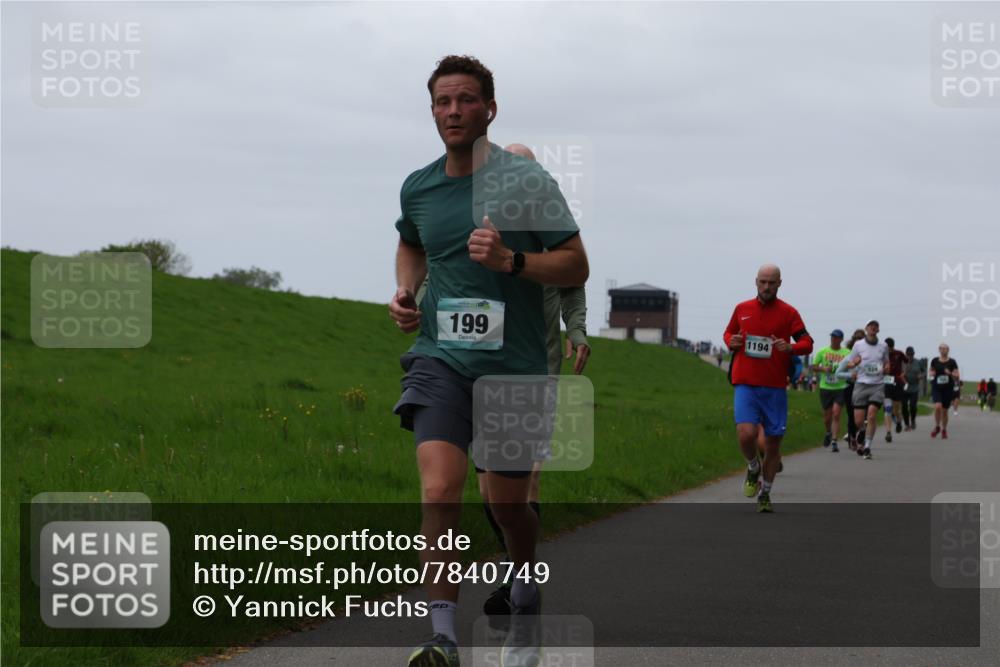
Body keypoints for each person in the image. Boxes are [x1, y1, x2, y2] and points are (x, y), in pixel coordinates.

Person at [388, 55, 589, 667]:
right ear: (432, 112)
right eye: (443, 102)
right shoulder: (419, 186)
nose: (453, 111)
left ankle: (525, 588)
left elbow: (576, 264)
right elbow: (411, 242)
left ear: (490, 109)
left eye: (466, 100)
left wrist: (512, 262)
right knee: (439, 490)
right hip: (440, 359)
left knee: (506, 506)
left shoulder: (527, 182)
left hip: (514, 368)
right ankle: (443, 638)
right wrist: (405, 291)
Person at [477, 142, 590, 619]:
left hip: (538, 366)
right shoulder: (482, 222)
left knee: (529, 476)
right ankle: (518, 565)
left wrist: (577, 331)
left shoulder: (551, 226)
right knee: (489, 488)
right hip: (482, 367)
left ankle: (517, 581)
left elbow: (573, 284)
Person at [724, 264, 813, 513]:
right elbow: (729, 333)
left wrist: (791, 347)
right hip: (745, 383)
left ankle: (765, 493)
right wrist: (731, 341)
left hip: (774, 387)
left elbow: (807, 342)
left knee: (773, 445)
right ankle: (753, 467)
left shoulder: (789, 313)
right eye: (762, 282)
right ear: (756, 282)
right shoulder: (742, 309)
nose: (766, 287)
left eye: (771, 283)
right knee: (746, 433)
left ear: (779, 284)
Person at [838, 319, 889, 460]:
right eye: (871, 325)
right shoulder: (858, 345)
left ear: (878, 329)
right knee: (858, 421)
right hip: (861, 384)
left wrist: (886, 368)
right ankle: (861, 431)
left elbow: (886, 363)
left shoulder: (883, 346)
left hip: (877, 385)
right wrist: (854, 363)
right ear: (866, 328)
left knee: (871, 415)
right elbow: (849, 364)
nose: (873, 327)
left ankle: (867, 447)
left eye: (876, 326)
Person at [811, 329, 850, 452]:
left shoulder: (847, 353)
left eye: (836, 337)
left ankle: (834, 441)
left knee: (836, 413)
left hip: (841, 387)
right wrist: (823, 369)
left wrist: (848, 369)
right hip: (826, 387)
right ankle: (828, 432)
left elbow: (853, 365)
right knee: (827, 417)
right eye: (832, 337)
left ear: (841, 339)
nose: (834, 339)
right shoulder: (823, 351)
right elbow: (814, 366)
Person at [929, 344, 960, 439]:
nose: (943, 350)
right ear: (939, 350)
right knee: (938, 407)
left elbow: (957, 376)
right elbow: (931, 371)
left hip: (948, 389)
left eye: (945, 349)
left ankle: (944, 430)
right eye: (941, 349)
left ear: (948, 350)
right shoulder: (934, 360)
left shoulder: (952, 362)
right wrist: (932, 373)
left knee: (945, 411)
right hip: (937, 387)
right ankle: (937, 427)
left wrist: (950, 373)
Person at [842, 329, 865, 449]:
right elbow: (839, 373)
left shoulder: (869, 356)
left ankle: (861, 439)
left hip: (865, 387)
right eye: (857, 340)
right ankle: (852, 437)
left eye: (861, 339)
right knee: (851, 415)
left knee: (864, 416)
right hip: (850, 387)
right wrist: (850, 375)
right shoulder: (848, 356)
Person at [882, 337, 907, 442]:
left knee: (896, 410)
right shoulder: (881, 355)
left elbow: (907, 362)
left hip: (897, 383)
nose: (888, 350)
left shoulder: (899, 354)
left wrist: (904, 373)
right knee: (888, 408)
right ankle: (888, 432)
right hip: (886, 383)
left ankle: (898, 421)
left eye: (889, 348)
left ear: (892, 347)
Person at [901, 346, 922, 430]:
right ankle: (906, 424)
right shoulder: (902, 362)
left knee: (913, 406)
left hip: (914, 387)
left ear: (913, 354)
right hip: (904, 387)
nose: (910, 356)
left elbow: (924, 371)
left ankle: (913, 420)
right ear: (906, 354)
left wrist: (921, 375)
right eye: (908, 354)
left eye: (911, 354)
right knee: (904, 406)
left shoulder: (918, 362)